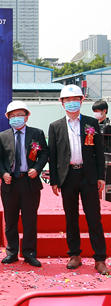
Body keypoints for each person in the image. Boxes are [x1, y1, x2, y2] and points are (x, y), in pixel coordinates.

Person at [49, 85, 108, 275]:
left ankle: (100, 258)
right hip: (68, 177)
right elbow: (53, 155)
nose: (71, 103)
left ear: (82, 101)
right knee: (71, 218)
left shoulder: (91, 123)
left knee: (94, 218)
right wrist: (54, 181)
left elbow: (99, 152)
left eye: (75, 99)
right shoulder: (55, 126)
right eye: (67, 100)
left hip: (88, 176)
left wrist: (101, 177)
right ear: (62, 103)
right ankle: (74, 254)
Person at [0, 101, 48, 267]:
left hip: (29, 182)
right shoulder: (2, 136)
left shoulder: (37, 133)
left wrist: (37, 169)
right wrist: (3, 173)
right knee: (10, 220)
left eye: (20, 115)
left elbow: (44, 154)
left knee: (30, 220)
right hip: (10, 183)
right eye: (13, 116)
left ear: (27, 116)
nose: (16, 118)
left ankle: (29, 253)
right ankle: (12, 252)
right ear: (8, 118)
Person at [92, 100, 111, 201]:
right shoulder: (92, 125)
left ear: (104, 111)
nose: (96, 113)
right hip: (95, 159)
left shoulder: (108, 126)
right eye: (94, 111)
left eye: (97, 111)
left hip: (107, 158)